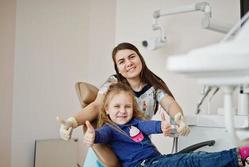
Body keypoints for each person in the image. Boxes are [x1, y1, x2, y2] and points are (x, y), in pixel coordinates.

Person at [83, 82, 249, 167]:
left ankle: (240, 157)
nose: (122, 111)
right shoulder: (110, 129)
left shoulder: (135, 122)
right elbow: (102, 136)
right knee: (191, 161)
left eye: (126, 106)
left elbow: (149, 126)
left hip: (155, 163)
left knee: (194, 158)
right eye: (116, 107)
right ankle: (243, 156)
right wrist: (93, 136)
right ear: (107, 109)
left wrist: (162, 126)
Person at [57, 42, 190, 140]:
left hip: (139, 144)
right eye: (121, 61)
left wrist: (179, 118)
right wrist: (72, 122)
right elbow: (96, 106)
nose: (128, 63)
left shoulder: (154, 86)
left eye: (132, 57)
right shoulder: (113, 82)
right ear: (118, 68)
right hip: (113, 141)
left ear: (140, 58)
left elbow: (170, 104)